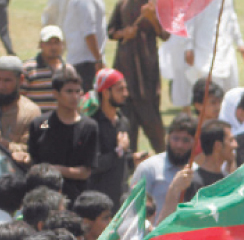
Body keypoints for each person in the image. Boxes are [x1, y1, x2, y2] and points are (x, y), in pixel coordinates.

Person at [28, 67, 99, 201]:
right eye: (69, 91)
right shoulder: (42, 124)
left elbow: (85, 172)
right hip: (44, 196)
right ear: (56, 94)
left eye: (78, 91)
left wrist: (54, 169)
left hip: (76, 197)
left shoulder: (88, 127)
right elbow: (34, 163)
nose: (74, 96)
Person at [107, 0, 168, 153]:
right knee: (127, 123)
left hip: (147, 72)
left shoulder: (155, 5)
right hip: (126, 68)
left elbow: (165, 34)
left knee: (154, 124)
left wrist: (152, 17)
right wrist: (123, 33)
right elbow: (111, 31)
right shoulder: (122, 4)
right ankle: (129, 164)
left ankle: (166, 158)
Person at [161, 119, 236, 221]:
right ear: (218, 146)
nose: (235, 145)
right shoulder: (193, 183)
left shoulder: (227, 179)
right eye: (231, 140)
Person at [88, 69, 140, 207]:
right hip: (99, 200)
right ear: (105, 93)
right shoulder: (92, 125)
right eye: (120, 90)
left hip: (121, 196)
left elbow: (124, 162)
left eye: (125, 89)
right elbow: (93, 165)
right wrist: (119, 151)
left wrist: (134, 160)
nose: (125, 94)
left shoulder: (124, 122)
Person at [130, 113, 197, 219]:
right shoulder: (148, 168)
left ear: (195, 143)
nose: (179, 145)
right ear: (168, 138)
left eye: (186, 140)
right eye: (175, 139)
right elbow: (133, 209)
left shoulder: (197, 171)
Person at [185, 0, 244, 92]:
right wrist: (188, 47)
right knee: (211, 91)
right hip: (205, 50)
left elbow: (231, 17)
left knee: (232, 89)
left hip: (226, 49)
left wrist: (239, 42)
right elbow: (189, 22)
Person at [0, 56, 41, 169]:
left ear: (21, 80)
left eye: (7, 80)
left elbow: (30, 149)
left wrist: (4, 144)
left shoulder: (30, 112)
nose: (1, 86)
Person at [22, 26, 69, 113]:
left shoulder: (67, 69)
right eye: (49, 43)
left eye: (57, 43)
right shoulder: (28, 68)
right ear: (41, 45)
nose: (53, 47)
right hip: (36, 122)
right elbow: (20, 98)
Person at [62, 0, 107, 91]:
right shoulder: (85, 2)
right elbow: (89, 32)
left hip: (86, 61)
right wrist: (98, 59)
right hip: (87, 63)